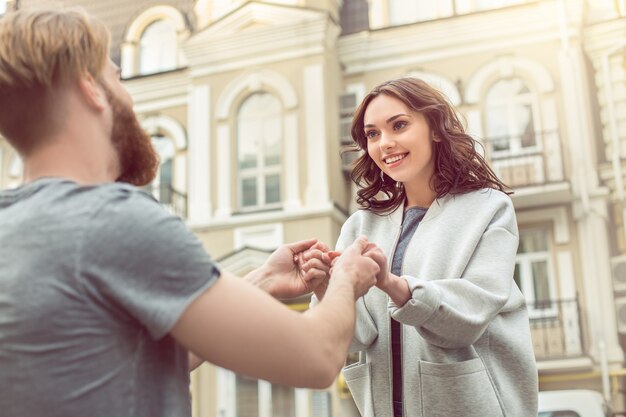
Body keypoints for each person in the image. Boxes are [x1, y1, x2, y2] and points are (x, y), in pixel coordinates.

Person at [0, 8, 381, 417]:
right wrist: (346, 279)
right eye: (117, 77)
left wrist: (263, 280)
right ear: (90, 87)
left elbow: (148, 362)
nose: (128, 96)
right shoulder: (115, 221)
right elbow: (317, 355)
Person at [305, 77, 538, 417]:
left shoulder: (489, 209)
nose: (385, 143)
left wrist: (394, 286)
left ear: (435, 128)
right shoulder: (361, 226)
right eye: (373, 134)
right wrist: (327, 289)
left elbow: (470, 315)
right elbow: (358, 337)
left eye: (398, 125)